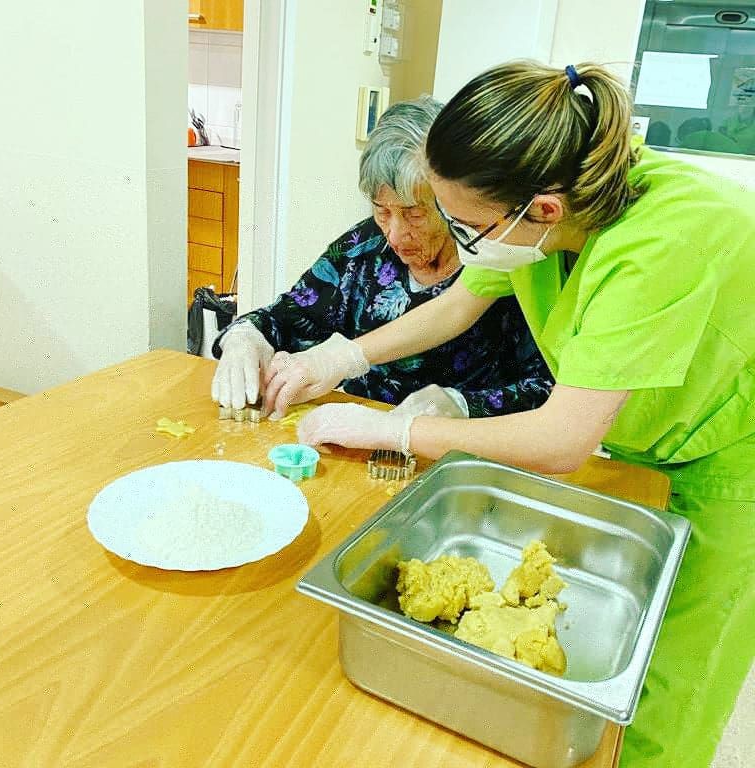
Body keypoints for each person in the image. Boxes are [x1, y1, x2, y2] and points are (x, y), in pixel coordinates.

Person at [262, 61, 755, 768]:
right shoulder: (542, 198)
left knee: (673, 679)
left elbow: (562, 438)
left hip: (732, 456)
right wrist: (342, 357)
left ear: (542, 212)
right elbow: (459, 305)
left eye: (464, 226)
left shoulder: (661, 242)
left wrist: (397, 430)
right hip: (649, 440)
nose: (458, 242)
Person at [211, 95, 552, 421]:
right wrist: (245, 337)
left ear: (452, 202)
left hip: (460, 447)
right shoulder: (364, 248)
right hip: (357, 438)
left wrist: (462, 407)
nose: (395, 235)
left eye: (414, 214)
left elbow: (548, 392)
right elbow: (289, 317)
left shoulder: (498, 256)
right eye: (382, 211)